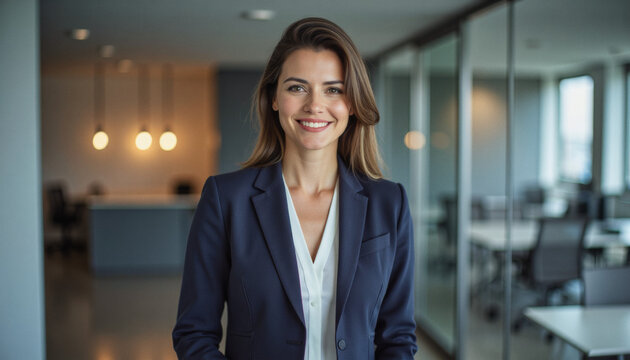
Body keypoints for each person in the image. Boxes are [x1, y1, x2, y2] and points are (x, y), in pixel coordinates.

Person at [172, 17, 417, 359]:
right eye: (297, 87)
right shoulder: (226, 199)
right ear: (274, 98)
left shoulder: (389, 204)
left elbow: (398, 337)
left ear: (352, 104)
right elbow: (194, 332)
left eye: (334, 89)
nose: (314, 105)